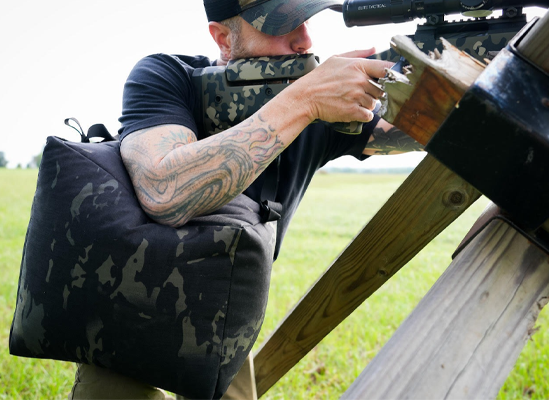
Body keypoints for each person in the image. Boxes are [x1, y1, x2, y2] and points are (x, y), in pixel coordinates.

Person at [68, 0, 421, 398]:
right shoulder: (169, 76)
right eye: (281, 26)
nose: (304, 41)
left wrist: (462, 77)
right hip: (130, 301)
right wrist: (303, 102)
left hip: (223, 311)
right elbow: (163, 188)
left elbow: (422, 130)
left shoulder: (325, 103)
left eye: (307, 22)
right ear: (222, 38)